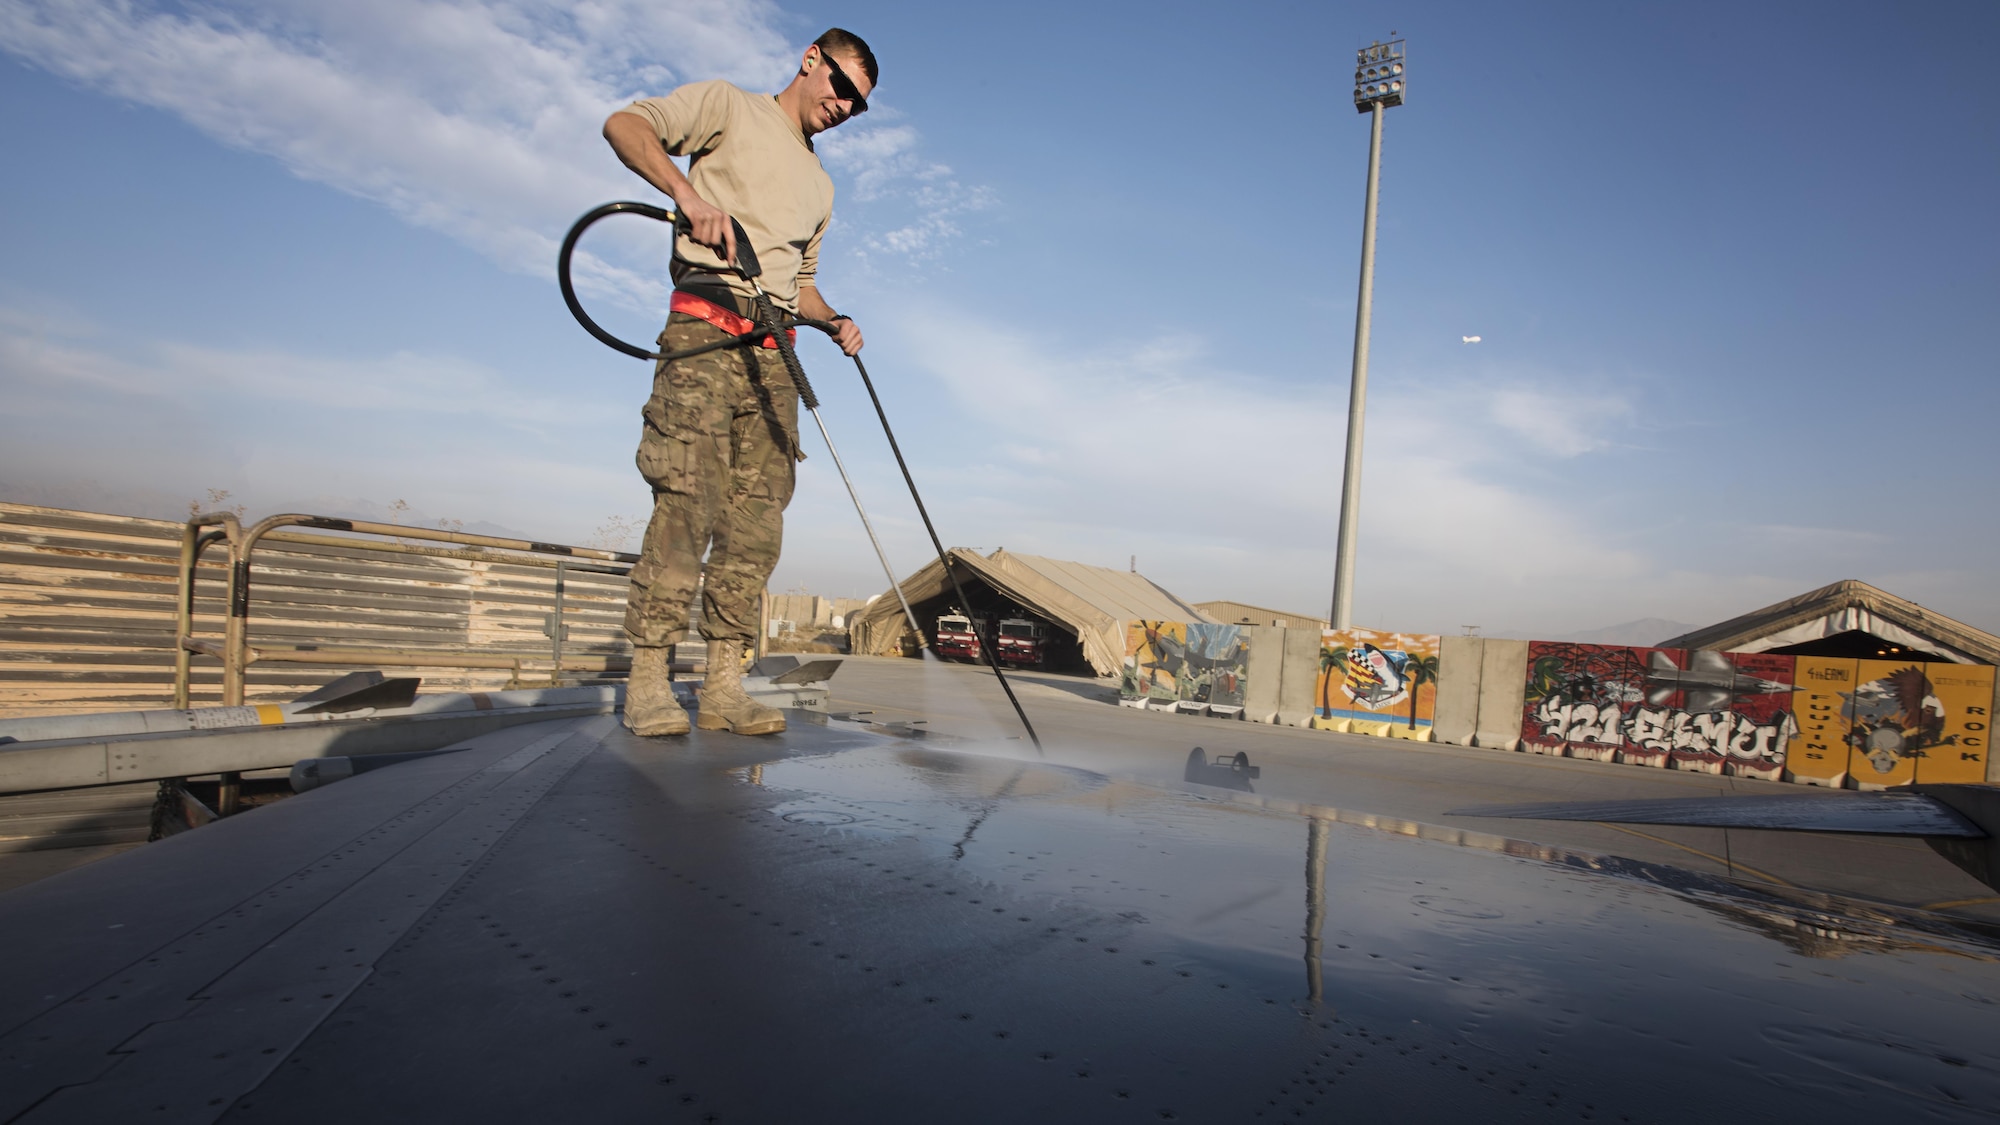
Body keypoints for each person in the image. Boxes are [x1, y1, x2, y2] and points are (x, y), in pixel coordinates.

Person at [602, 29, 876, 737]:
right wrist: (688, 195)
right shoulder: (729, 106)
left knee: (756, 523)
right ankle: (650, 681)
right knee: (687, 498)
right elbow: (625, 125)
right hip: (704, 329)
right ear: (811, 59)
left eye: (859, 104)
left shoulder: (821, 185)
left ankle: (723, 683)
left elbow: (800, 285)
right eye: (841, 86)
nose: (844, 105)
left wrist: (833, 320)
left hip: (774, 352)